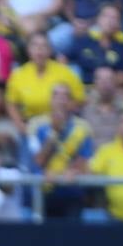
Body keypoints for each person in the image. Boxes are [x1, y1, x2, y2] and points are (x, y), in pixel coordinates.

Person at [26, 83, 94, 218]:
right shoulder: (36, 125)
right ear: (51, 100)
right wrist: (54, 133)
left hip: (71, 190)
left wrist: (68, 172)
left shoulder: (83, 127)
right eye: (57, 95)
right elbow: (37, 161)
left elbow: (84, 161)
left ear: (70, 102)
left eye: (65, 96)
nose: (61, 100)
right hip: (44, 191)